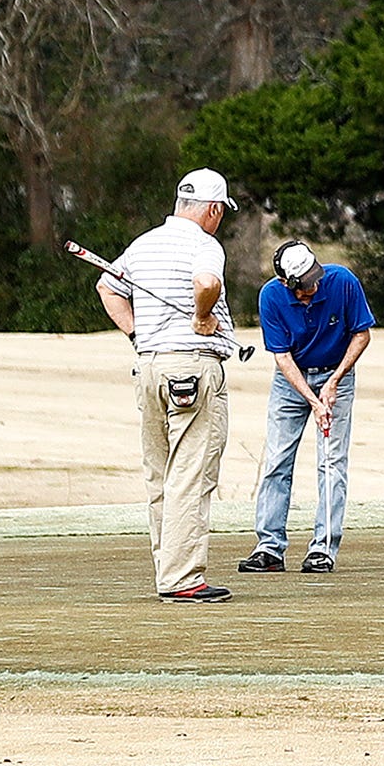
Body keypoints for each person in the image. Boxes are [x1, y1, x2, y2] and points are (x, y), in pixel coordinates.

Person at [96, 168, 243, 604]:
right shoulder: (204, 244)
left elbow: (107, 287)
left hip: (149, 367)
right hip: (193, 368)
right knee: (190, 473)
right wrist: (201, 317)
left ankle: (169, 571)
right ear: (213, 210)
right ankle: (183, 580)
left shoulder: (143, 243)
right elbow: (207, 283)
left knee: (160, 475)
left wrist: (136, 334)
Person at [238, 241, 376, 575]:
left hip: (336, 372)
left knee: (331, 461)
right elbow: (282, 356)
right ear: (286, 282)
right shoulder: (271, 296)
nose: (310, 291)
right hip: (291, 380)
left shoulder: (342, 281)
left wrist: (334, 383)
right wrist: (313, 400)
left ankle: (323, 549)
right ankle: (269, 548)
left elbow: (362, 334)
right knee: (276, 460)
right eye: (303, 286)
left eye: (313, 281)